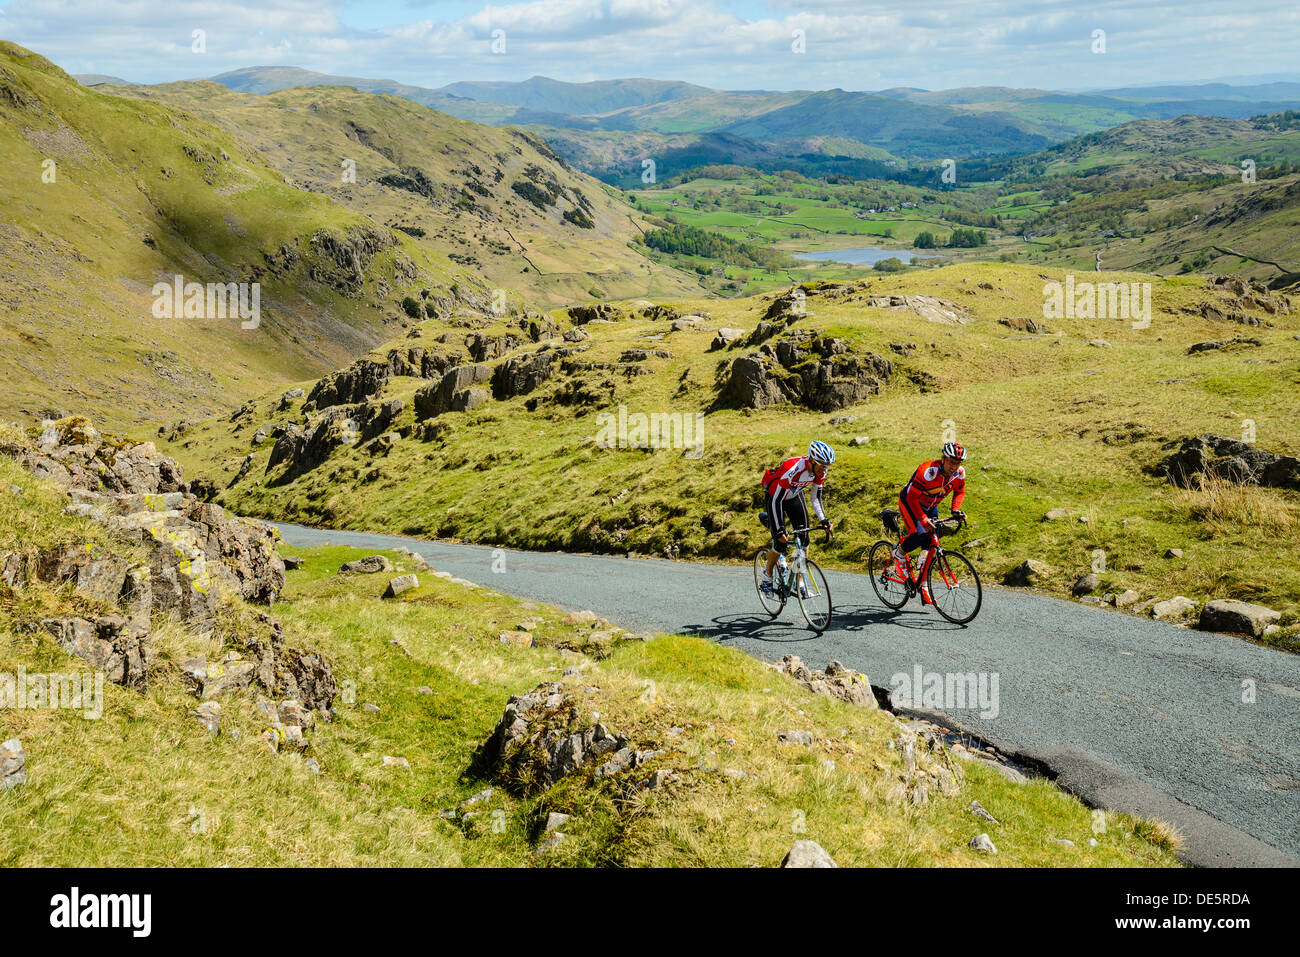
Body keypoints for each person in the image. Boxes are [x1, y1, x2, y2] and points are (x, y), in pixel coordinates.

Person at [895, 441, 968, 603]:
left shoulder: (960, 474)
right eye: (951, 462)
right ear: (943, 459)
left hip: (931, 506)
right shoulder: (928, 472)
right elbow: (912, 497)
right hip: (910, 502)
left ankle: (923, 584)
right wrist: (922, 518)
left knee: (932, 543)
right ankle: (898, 554)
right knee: (919, 535)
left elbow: (960, 491)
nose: (954, 466)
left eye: (957, 463)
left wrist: (955, 510)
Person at [760, 441, 834, 596]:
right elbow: (777, 500)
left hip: (794, 496)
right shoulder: (793, 469)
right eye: (822, 465)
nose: (824, 469)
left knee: (804, 540)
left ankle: (798, 581)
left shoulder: (821, 471)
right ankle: (767, 577)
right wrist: (780, 528)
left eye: (827, 466)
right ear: (812, 460)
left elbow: (815, 497)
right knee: (780, 542)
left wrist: (824, 520)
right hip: (775, 496)